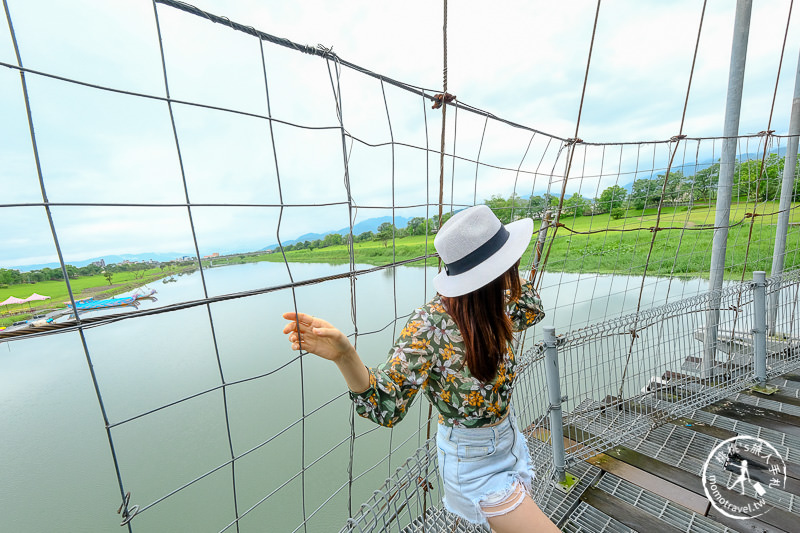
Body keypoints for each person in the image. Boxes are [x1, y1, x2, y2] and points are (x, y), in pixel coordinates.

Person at [282, 205, 559, 532]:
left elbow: (533, 308)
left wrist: (496, 268)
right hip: (473, 464)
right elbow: (386, 406)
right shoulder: (429, 327)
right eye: (509, 260)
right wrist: (344, 355)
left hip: (509, 441)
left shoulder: (497, 303)